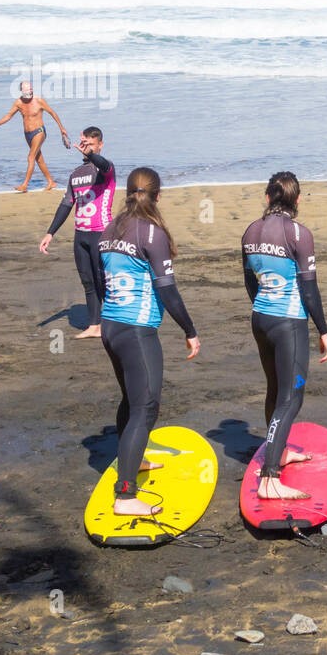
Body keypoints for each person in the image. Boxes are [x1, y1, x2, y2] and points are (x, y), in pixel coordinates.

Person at [98, 167, 200, 516]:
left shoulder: (110, 228)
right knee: (146, 406)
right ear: (157, 196)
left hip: (110, 327)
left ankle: (134, 460)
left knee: (131, 399)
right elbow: (167, 290)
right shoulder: (152, 233)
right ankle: (125, 496)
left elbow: (102, 281)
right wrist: (189, 330)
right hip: (137, 331)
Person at [242, 172, 327, 499]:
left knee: (275, 389)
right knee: (291, 397)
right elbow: (309, 291)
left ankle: (278, 453)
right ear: (297, 201)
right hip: (288, 322)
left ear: (267, 198)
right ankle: (270, 478)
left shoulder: (250, 231)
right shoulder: (299, 234)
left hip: (261, 319)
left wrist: (264, 307)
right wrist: (323, 330)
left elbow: (250, 281)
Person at [39, 127, 116, 340]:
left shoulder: (105, 171)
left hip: (101, 233)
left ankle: (112, 323)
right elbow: (66, 204)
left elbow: (102, 163)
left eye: (90, 144)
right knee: (88, 281)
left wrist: (91, 155)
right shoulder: (76, 174)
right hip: (80, 236)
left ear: (100, 145)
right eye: (83, 143)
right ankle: (94, 325)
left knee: (104, 280)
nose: (85, 147)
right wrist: (50, 233)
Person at [0, 81, 70, 192]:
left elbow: (53, 113)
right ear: (22, 91)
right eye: (27, 89)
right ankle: (51, 182)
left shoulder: (39, 101)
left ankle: (24, 185)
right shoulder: (18, 103)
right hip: (27, 134)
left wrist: (62, 128)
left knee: (30, 157)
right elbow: (9, 115)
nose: (30, 91)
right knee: (38, 159)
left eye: (31, 88)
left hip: (39, 131)